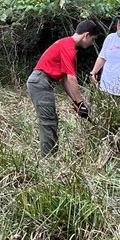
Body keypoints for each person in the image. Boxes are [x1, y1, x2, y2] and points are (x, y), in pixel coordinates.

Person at [26, 19, 99, 155]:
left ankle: (50, 155)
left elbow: (64, 79)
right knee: (48, 122)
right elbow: (71, 78)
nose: (91, 43)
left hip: (42, 82)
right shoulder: (68, 47)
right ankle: (49, 160)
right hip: (40, 82)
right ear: (86, 35)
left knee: (51, 120)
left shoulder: (67, 44)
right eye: (93, 40)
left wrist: (76, 102)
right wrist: (82, 102)